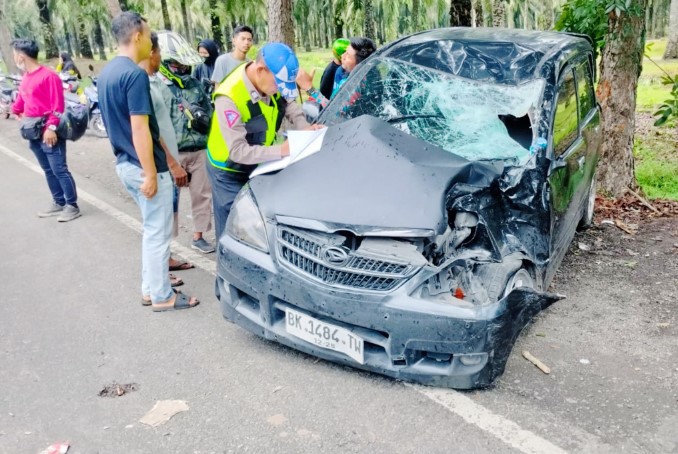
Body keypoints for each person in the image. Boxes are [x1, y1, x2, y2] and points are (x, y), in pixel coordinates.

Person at [98, 11, 198, 312]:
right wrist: (152, 174)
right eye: (149, 32)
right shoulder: (135, 74)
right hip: (143, 167)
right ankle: (162, 295)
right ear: (138, 36)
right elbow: (140, 127)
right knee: (158, 233)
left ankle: (148, 289)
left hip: (124, 164)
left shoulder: (107, 73)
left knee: (151, 230)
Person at [206, 42, 322, 240]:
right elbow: (238, 151)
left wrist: (305, 128)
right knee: (233, 228)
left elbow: (289, 104)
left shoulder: (270, 82)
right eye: (278, 84)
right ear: (260, 70)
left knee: (258, 224)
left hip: (259, 162)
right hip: (228, 170)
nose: (279, 90)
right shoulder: (229, 97)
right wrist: (283, 150)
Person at [140, 31, 192, 289]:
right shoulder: (142, 86)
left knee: (168, 217)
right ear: (151, 53)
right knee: (158, 225)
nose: (162, 57)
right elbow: (150, 130)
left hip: (169, 159)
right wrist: (172, 164)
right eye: (159, 52)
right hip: (162, 164)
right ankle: (159, 277)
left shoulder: (155, 81)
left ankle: (166, 260)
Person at [157, 30, 216, 254]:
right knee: (169, 200)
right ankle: (167, 245)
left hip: (200, 149)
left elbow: (209, 111)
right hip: (173, 153)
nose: (182, 69)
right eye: (177, 65)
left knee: (202, 195)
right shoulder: (158, 87)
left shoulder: (194, 84)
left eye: (184, 65)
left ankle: (198, 236)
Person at [11, 39, 81, 222]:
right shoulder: (26, 78)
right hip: (32, 131)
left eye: (14, 54)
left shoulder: (49, 77)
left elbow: (58, 106)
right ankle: (58, 202)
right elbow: (21, 101)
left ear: (21, 56)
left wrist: (50, 128)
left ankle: (72, 205)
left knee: (59, 169)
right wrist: (16, 111)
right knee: (48, 169)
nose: (14, 57)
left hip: (48, 130)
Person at [297, 37, 377, 109]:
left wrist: (310, 88)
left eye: (348, 55)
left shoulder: (356, 85)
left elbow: (333, 110)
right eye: (344, 52)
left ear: (360, 64)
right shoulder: (346, 73)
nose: (342, 56)